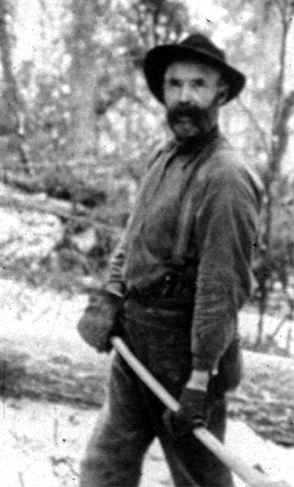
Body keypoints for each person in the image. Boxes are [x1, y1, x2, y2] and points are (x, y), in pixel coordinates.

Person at [76, 33, 262, 486]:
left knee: (198, 479)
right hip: (135, 340)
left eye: (198, 85)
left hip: (185, 359)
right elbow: (133, 237)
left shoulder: (227, 179)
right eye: (174, 84)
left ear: (221, 93)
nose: (183, 98)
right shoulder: (163, 157)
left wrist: (200, 378)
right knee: (104, 468)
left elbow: (222, 288)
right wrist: (109, 297)